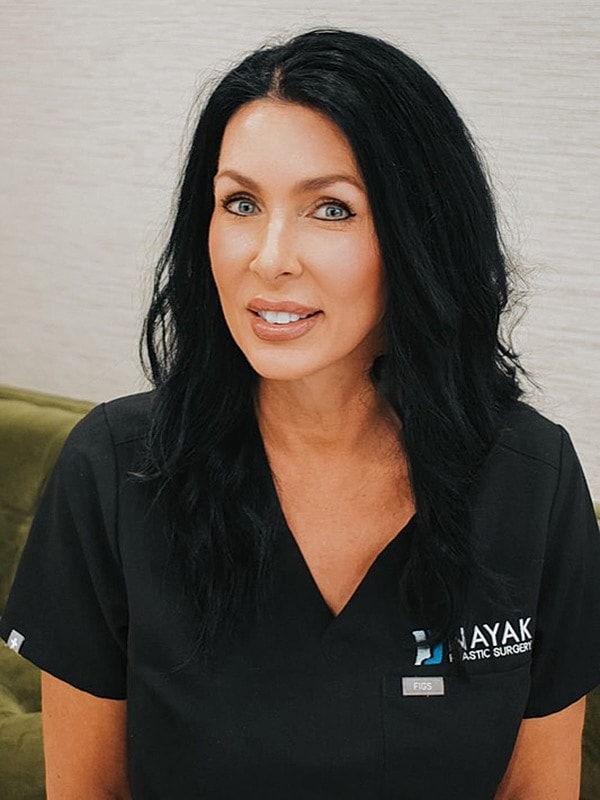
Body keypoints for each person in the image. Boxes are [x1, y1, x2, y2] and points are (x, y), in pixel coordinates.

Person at [1, 28, 599, 800]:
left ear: (421, 236)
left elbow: (533, 791)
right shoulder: (114, 470)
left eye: (331, 209)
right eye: (241, 203)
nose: (270, 256)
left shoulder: (531, 479)